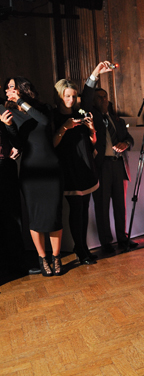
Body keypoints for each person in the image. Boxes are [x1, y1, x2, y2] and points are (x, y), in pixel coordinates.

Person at [3, 77, 64, 276]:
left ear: (22, 89)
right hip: (31, 171)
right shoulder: (8, 112)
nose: (7, 90)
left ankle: (56, 258)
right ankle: (42, 258)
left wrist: (21, 102)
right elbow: (18, 144)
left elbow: (44, 122)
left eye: (12, 87)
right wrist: (9, 126)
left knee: (54, 215)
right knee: (36, 217)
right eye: (7, 88)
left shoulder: (43, 108)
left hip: (51, 168)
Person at [52, 75, 100, 266]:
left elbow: (90, 144)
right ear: (60, 96)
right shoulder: (54, 117)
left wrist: (92, 130)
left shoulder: (80, 112)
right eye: (67, 96)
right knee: (77, 209)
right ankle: (80, 249)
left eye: (74, 96)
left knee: (85, 209)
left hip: (85, 167)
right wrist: (65, 127)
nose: (71, 100)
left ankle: (83, 247)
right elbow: (52, 144)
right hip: (69, 168)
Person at [92, 83, 138, 253]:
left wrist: (125, 143)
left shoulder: (117, 120)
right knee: (102, 205)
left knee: (120, 205)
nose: (104, 99)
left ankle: (122, 238)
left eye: (105, 96)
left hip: (119, 165)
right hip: (102, 166)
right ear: (93, 100)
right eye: (99, 97)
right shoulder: (93, 119)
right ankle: (105, 242)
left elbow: (130, 139)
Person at [0, 104, 25, 279]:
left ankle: (16, 265)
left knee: (13, 217)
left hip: (5, 167)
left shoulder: (3, 109)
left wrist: (8, 127)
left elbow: (18, 141)